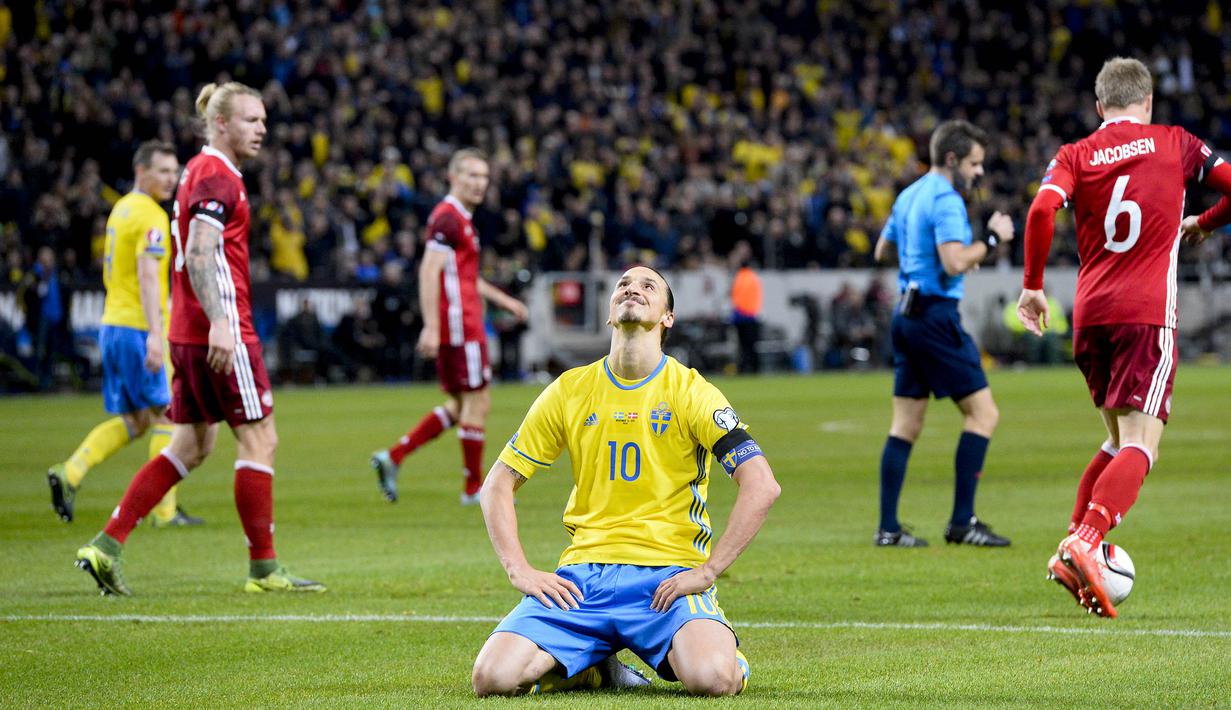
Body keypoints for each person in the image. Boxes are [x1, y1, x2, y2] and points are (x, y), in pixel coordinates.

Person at [470, 265, 781, 697]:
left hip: (665, 580)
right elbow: (497, 485)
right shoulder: (569, 389)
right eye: (623, 285)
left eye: (648, 285)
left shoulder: (692, 392)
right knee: (492, 679)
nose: (632, 288)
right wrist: (518, 569)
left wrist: (708, 571)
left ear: (667, 317)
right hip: (583, 581)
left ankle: (725, 654)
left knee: (713, 679)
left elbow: (761, 483)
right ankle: (592, 668)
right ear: (609, 313)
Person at [74, 82, 324, 595]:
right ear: (221, 123)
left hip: (185, 331)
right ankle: (264, 568)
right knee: (261, 439)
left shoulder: (199, 170)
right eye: (252, 120)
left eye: (263, 121)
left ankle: (106, 543)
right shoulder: (216, 173)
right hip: (220, 327)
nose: (262, 129)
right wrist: (221, 322)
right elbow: (203, 250)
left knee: (190, 445)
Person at [1017, 57, 1231, 618]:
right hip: (1146, 315)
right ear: (1149, 102)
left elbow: (1042, 209)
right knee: (1142, 444)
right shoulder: (1176, 142)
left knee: (1115, 440)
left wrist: (1033, 287)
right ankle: (1087, 540)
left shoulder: (1076, 153)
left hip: (1091, 316)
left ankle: (1070, 545)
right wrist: (1205, 223)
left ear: (1098, 106)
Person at [871, 120, 1015, 548]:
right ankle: (961, 522)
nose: (979, 172)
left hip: (905, 315)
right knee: (983, 414)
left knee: (905, 425)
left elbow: (883, 250)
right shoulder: (947, 200)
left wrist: (916, 259)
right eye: (974, 163)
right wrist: (991, 238)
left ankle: (889, 529)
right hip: (935, 316)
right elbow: (954, 262)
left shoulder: (908, 194)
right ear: (952, 159)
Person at [46, 141, 203, 529]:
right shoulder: (150, 216)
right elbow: (149, 277)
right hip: (138, 328)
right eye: (163, 171)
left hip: (113, 324)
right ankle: (165, 512)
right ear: (141, 172)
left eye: (174, 171)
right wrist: (155, 335)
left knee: (137, 420)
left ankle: (71, 472)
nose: (172, 179)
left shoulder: (121, 210)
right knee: (170, 415)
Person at [369, 149, 528, 505]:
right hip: (461, 324)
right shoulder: (448, 218)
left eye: (484, 177)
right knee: (478, 401)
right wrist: (431, 326)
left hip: (464, 321)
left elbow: (467, 277)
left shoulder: (460, 219)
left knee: (461, 404)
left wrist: (505, 301)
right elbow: (429, 270)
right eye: (471, 176)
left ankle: (392, 458)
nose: (479, 183)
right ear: (453, 178)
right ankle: (473, 489)